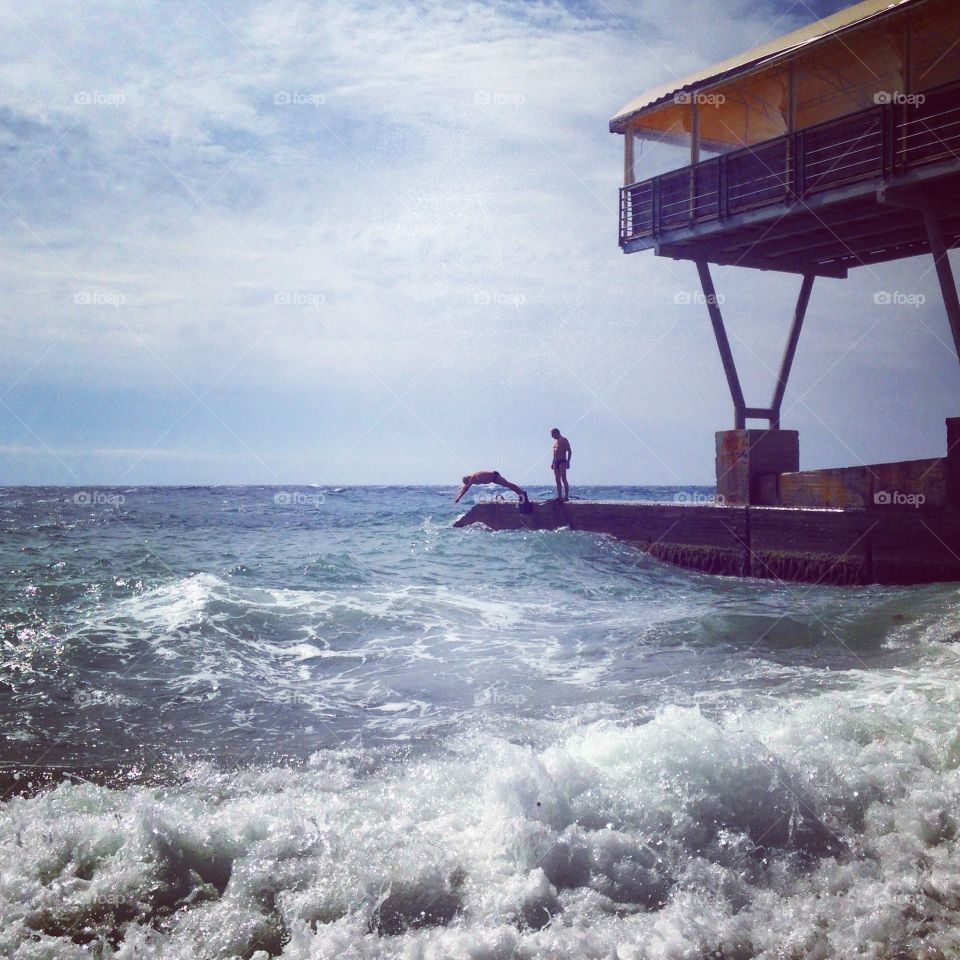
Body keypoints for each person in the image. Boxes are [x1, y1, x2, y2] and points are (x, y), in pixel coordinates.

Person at [454, 470, 528, 504]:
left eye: (468, 482)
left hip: (495, 476)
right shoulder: (471, 479)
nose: (469, 483)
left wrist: (459, 497)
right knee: (508, 485)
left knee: (508, 484)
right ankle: (520, 493)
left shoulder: (473, 477)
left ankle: (521, 493)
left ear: (468, 479)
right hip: (493, 479)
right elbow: (465, 487)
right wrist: (458, 496)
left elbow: (466, 488)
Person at [550, 428, 571, 502]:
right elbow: (554, 455)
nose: (552, 437)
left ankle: (566, 496)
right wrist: (552, 463)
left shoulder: (564, 440)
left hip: (562, 461)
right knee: (557, 480)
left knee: (563, 478)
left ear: (557, 433)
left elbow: (569, 451)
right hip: (556, 463)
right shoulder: (555, 444)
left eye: (553, 435)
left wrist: (568, 462)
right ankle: (559, 496)